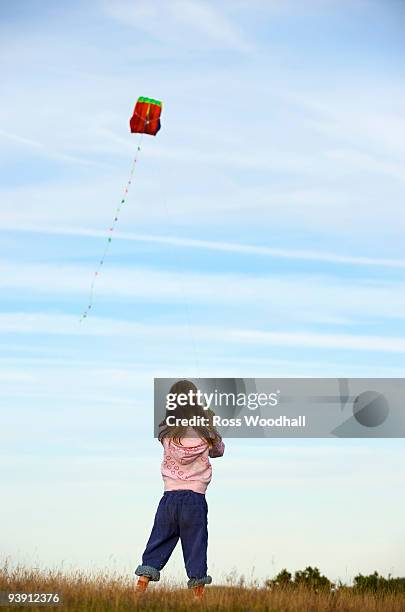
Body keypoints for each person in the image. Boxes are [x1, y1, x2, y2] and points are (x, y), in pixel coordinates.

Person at [135, 380, 225, 600]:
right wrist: (210, 423)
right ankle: (198, 597)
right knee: (195, 546)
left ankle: (141, 586)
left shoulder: (166, 432)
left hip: (169, 498)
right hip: (195, 499)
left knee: (158, 541)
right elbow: (219, 451)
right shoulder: (206, 433)